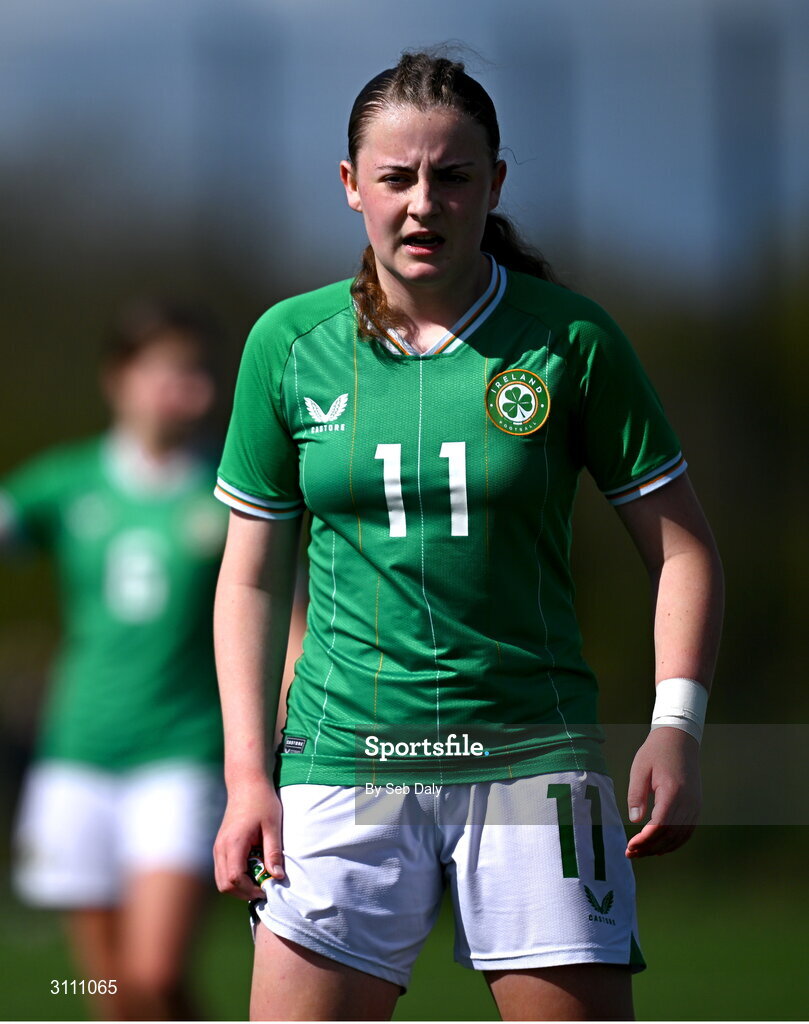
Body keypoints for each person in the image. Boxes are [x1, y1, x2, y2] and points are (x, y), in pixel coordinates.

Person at [212, 51, 724, 1022]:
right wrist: (247, 775)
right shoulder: (287, 344)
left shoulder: (569, 341)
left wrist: (675, 724)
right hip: (341, 762)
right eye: (395, 177)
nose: (421, 203)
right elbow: (246, 580)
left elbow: (682, 549)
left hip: (529, 760)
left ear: (492, 186)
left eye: (450, 177)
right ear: (349, 185)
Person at [2, 300, 229, 1021]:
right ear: (119, 378)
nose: (189, 390)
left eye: (199, 373)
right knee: (109, 994)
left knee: (155, 975)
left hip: (182, 754)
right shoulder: (66, 483)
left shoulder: (231, 490)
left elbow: (282, 621)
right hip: (76, 758)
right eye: (170, 371)